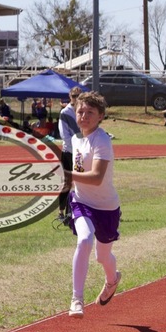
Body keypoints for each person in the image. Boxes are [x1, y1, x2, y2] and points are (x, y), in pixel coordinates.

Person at [64, 91, 122, 319]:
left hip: (106, 207)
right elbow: (77, 173)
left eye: (90, 112)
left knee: (102, 257)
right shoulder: (75, 139)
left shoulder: (102, 140)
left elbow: (97, 177)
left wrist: (67, 175)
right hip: (81, 202)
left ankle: (112, 280)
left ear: (100, 117)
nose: (84, 116)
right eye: (80, 111)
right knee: (85, 239)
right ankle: (76, 300)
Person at [57, 87, 82, 227]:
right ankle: (61, 212)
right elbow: (64, 135)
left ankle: (76, 211)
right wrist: (76, 147)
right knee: (67, 183)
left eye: (78, 96)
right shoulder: (65, 113)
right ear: (70, 97)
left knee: (82, 182)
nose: (76, 98)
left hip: (81, 153)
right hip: (69, 152)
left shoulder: (83, 111)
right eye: (74, 96)